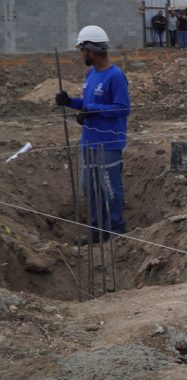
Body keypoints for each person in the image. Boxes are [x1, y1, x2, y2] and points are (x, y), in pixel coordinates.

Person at [55, 25, 131, 244]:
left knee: (109, 188)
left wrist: (93, 110)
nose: (81, 55)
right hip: (89, 142)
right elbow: (89, 104)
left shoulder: (116, 76)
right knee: (90, 188)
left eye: (82, 50)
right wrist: (70, 102)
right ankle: (97, 229)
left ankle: (115, 229)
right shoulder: (91, 74)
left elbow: (122, 108)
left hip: (108, 144)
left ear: (91, 50)